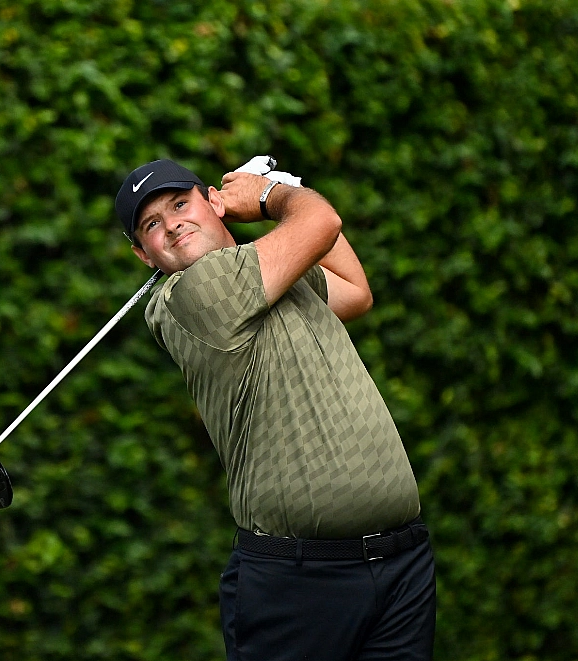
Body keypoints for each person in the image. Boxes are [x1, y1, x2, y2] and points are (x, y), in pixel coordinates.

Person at [115, 157, 436, 661]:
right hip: (300, 582)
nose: (172, 224)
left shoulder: (270, 275)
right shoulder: (194, 293)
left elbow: (355, 292)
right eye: (151, 224)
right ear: (143, 255)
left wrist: (285, 191)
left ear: (214, 203)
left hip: (401, 564)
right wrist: (270, 196)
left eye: (180, 204)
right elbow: (322, 222)